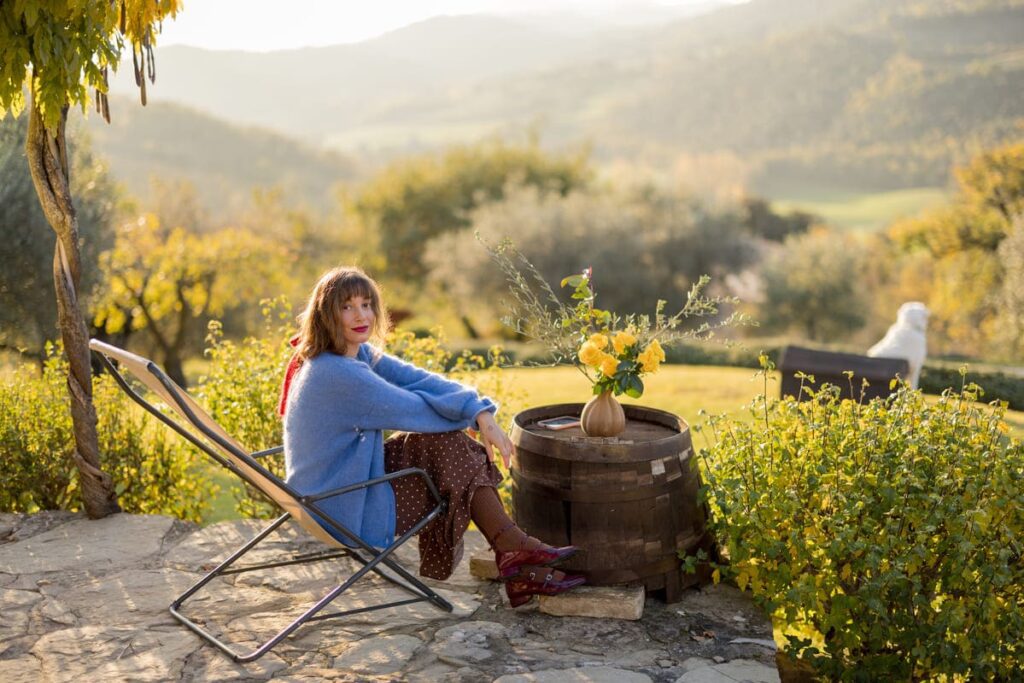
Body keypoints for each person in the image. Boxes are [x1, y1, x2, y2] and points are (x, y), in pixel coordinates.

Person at [280, 266, 586, 607]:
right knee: (451, 449)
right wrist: (474, 417)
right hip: (342, 504)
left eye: (366, 304)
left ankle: (516, 555)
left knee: (449, 449)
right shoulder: (338, 375)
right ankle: (516, 554)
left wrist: (480, 412)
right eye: (347, 306)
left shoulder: (348, 354)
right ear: (326, 314)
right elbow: (417, 410)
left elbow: (421, 381)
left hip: (347, 479)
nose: (361, 315)